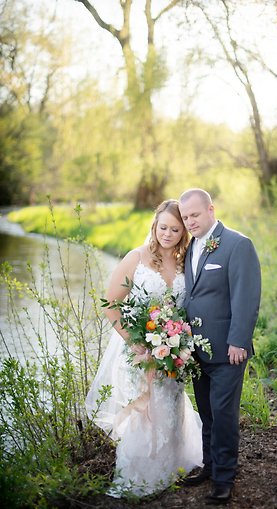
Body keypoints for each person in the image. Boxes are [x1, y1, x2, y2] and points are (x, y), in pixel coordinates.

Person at [85, 199, 203, 497]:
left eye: (175, 229)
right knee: (145, 409)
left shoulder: (184, 261)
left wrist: (177, 339)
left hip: (173, 349)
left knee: (171, 404)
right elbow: (112, 304)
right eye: (163, 227)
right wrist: (136, 343)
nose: (167, 233)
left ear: (183, 232)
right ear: (154, 225)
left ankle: (171, 467)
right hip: (139, 350)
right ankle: (141, 477)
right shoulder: (135, 258)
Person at [178, 188, 261, 505]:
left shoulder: (238, 245)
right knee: (207, 413)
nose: (190, 222)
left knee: (224, 414)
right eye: (185, 217)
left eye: (195, 215)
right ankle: (210, 466)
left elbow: (246, 296)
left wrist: (239, 339)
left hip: (228, 351)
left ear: (210, 209)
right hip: (197, 352)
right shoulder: (191, 248)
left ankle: (225, 478)